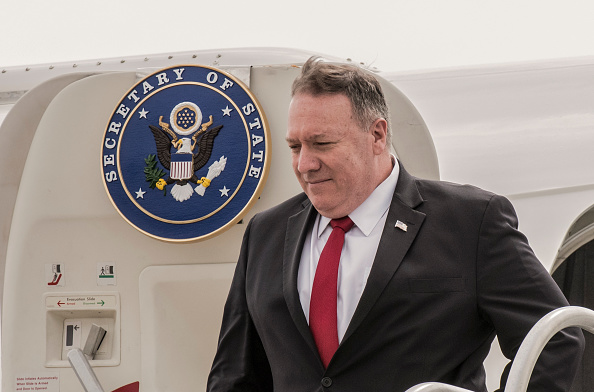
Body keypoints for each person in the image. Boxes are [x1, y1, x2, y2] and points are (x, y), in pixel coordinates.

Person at [206, 57, 584, 392]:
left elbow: (554, 337)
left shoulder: (471, 222)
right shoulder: (265, 233)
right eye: (295, 146)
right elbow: (235, 377)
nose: (304, 164)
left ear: (377, 134)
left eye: (321, 144)